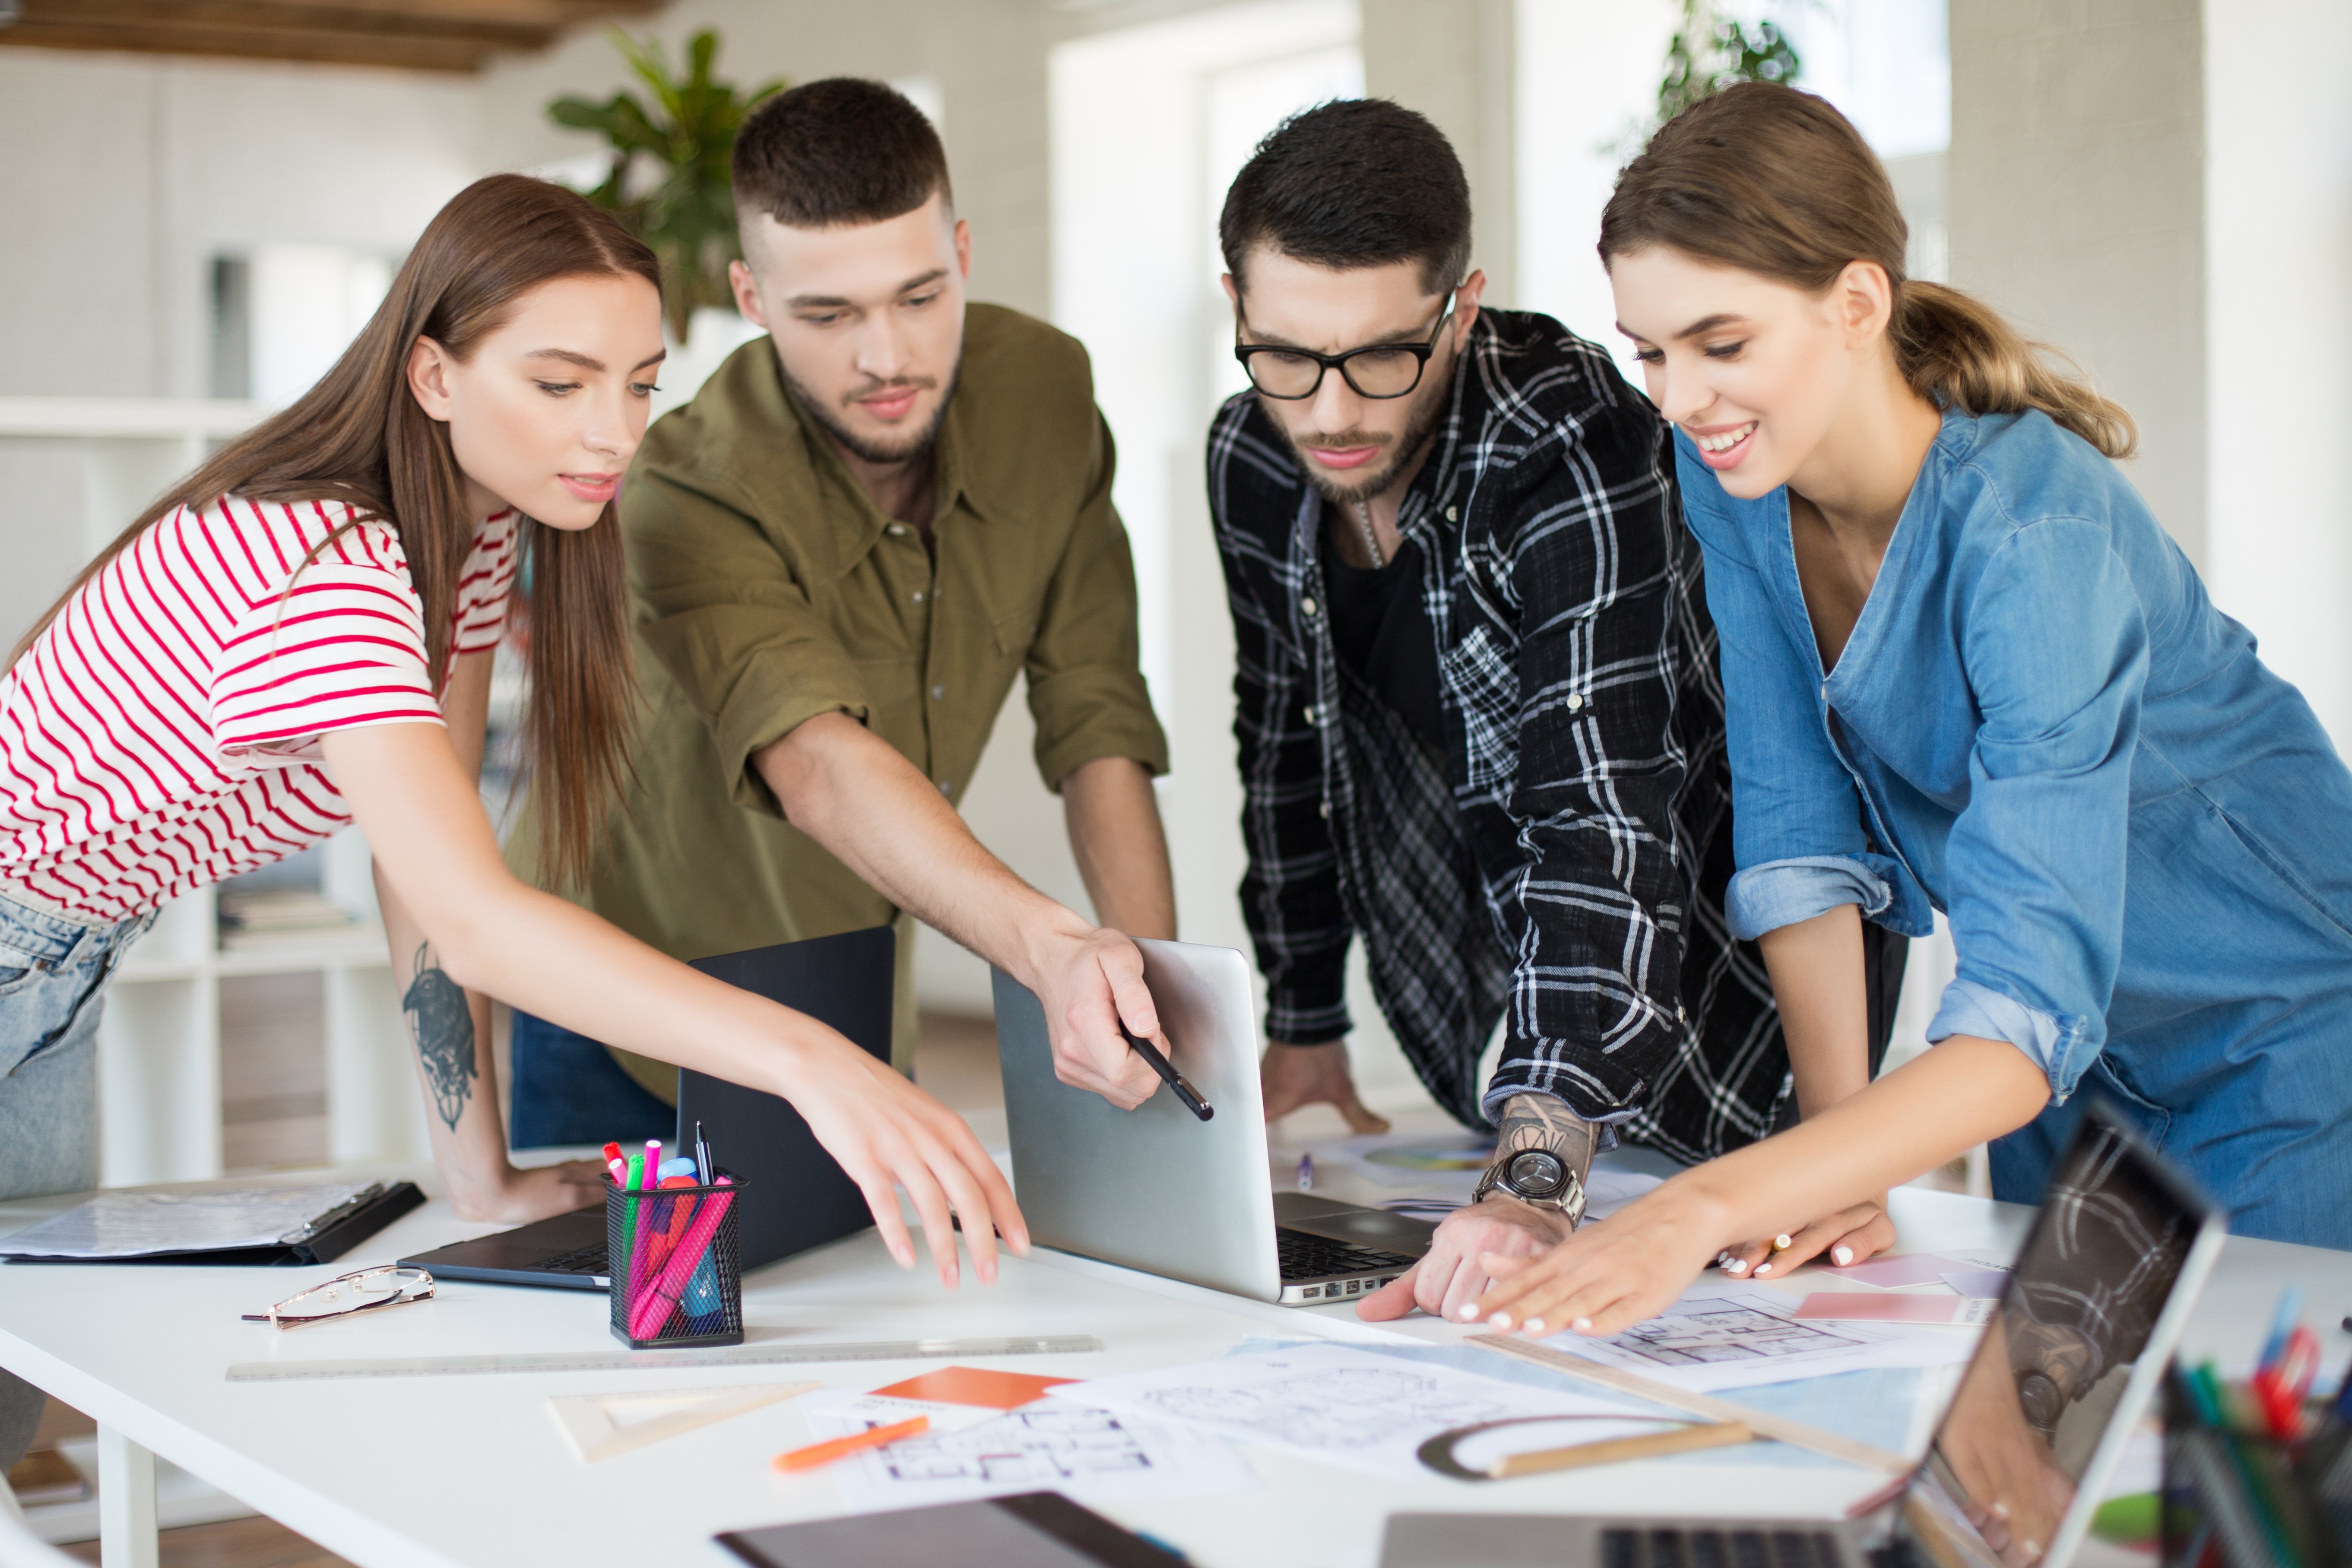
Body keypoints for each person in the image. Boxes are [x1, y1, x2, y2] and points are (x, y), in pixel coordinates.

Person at [0, 175, 1026, 1473]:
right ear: (434, 376)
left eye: (639, 385)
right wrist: (816, 1063)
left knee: (11, 1401)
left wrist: (475, 1174)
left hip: (61, 964)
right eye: (558, 384)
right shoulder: (330, 565)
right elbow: (481, 924)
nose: (612, 432)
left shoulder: (469, 542)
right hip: (23, 945)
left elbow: (427, 880)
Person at [1470, 82, 2352, 1346]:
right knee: (2048, 1449)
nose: (1677, 399)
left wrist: (1698, 1205)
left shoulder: (2031, 536)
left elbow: (2023, 1006)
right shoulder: (1732, 480)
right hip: (2068, 1077)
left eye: (1722, 345)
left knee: (2244, 1441)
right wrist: (1838, 1162)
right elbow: (1795, 828)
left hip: (2288, 1045)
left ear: (1855, 303)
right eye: (1648, 353)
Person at [1204, 99, 1907, 1330]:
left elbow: (1600, 814)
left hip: (1714, 997)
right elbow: (1282, 743)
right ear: (1235, 307)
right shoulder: (1252, 459)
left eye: (1381, 357)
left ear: (1461, 308)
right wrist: (1302, 1014)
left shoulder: (1569, 442)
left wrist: (1534, 1174)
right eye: (1284, 358)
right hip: (1508, 1003)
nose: (1330, 413)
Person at [504, 78, 1178, 1144]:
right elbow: (812, 759)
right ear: (752, 295)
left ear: (961, 253)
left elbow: (1098, 717)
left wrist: (1151, 1000)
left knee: (863, 1255)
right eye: (827, 315)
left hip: (848, 970)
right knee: (620, 1269)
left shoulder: (1046, 398)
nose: (886, 358)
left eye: (918, 297)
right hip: (625, 988)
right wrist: (1048, 948)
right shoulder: (687, 483)